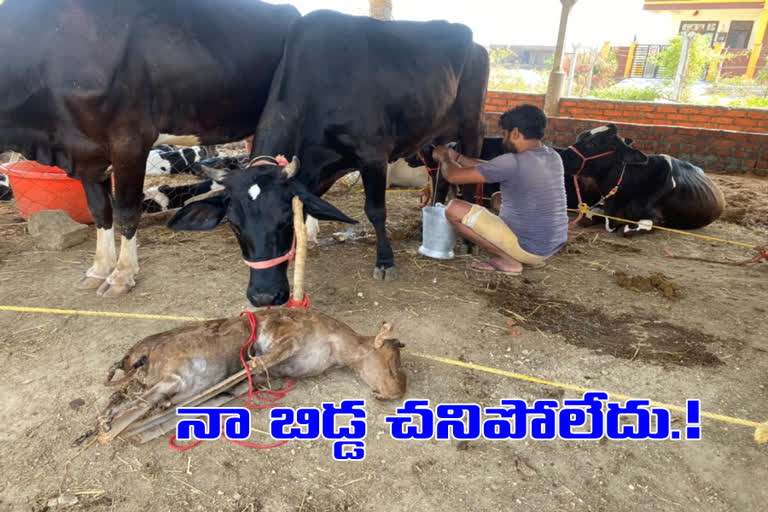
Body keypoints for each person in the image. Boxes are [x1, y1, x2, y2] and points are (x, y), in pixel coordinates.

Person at [432, 104, 567, 275]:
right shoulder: (552, 156)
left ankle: (508, 261)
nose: (503, 139)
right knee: (497, 198)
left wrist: (444, 158)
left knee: (454, 209)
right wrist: (457, 157)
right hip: (550, 247)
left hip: (528, 248)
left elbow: (453, 176)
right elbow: (492, 167)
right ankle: (523, 255)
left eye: (505, 134)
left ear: (516, 133)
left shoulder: (513, 161)